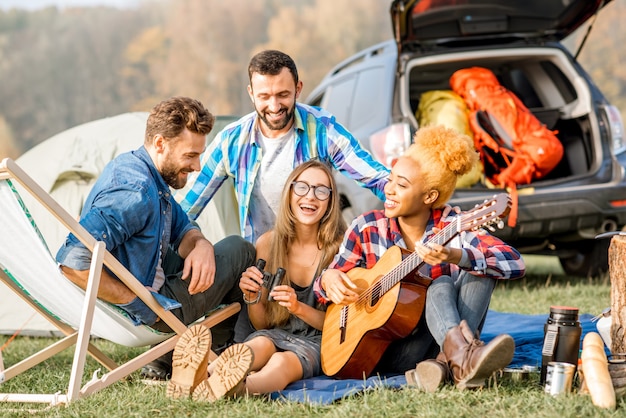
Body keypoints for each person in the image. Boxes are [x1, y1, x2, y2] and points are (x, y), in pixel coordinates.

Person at [313, 125, 526, 391]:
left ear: (429, 196)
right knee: (442, 283)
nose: (388, 190)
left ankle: (446, 362)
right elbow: (320, 289)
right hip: (394, 350)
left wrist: (456, 255)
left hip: (433, 346)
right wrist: (329, 277)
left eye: (401, 185)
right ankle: (460, 361)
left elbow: (515, 263)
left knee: (469, 273)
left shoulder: (453, 225)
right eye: (390, 179)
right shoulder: (367, 227)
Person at [55, 96, 255, 380]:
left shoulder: (144, 172)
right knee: (241, 251)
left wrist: (200, 244)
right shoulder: (134, 190)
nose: (197, 166)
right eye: (190, 156)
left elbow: (181, 225)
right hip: (147, 309)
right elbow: (73, 262)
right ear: (160, 143)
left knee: (217, 251)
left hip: (145, 280)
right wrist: (142, 300)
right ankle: (214, 358)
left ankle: (170, 359)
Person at [166, 160, 346, 400]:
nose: (311, 197)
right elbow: (262, 325)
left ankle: (237, 389)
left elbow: (338, 325)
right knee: (257, 346)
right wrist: (252, 299)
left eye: (321, 190)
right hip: (274, 333)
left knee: (282, 363)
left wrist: (297, 308)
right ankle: (202, 376)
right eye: (302, 187)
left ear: (331, 201)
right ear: (290, 193)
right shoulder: (269, 244)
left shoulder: (340, 250)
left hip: (318, 341)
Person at [176, 49, 389, 244]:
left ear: (298, 89)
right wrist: (195, 243)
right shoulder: (231, 140)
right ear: (251, 93)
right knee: (234, 249)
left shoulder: (322, 129)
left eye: (283, 95)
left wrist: (409, 194)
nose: (274, 106)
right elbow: (185, 207)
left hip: (316, 259)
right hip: (260, 262)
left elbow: (373, 176)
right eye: (264, 97)